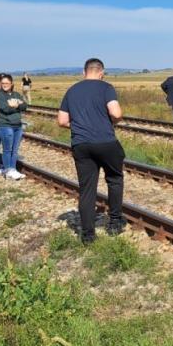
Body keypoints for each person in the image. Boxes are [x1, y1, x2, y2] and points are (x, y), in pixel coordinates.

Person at [58, 58, 126, 244]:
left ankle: (88, 235)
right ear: (101, 72)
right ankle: (115, 223)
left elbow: (62, 121)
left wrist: (79, 126)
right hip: (106, 142)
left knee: (87, 189)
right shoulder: (106, 88)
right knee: (114, 179)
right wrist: (112, 122)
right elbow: (116, 113)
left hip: (81, 144)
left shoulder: (72, 90)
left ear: (84, 72)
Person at [0, 74, 29, 180]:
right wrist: (17, 105)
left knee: (14, 150)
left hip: (18, 126)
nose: (4, 85)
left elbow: (25, 106)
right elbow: (5, 109)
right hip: (5, 125)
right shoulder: (0, 96)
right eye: (3, 83)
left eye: (7, 83)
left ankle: (13, 169)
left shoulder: (16, 94)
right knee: (7, 150)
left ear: (11, 84)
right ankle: (8, 170)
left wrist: (15, 105)